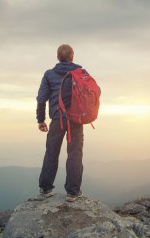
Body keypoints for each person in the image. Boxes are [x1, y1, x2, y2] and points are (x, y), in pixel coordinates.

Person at [36, 44, 84, 202]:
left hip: (57, 119)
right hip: (76, 120)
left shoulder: (49, 74)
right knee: (75, 154)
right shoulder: (81, 72)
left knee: (51, 153)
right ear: (72, 56)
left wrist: (41, 120)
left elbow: (42, 98)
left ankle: (46, 189)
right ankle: (72, 193)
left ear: (58, 57)